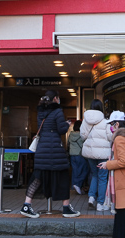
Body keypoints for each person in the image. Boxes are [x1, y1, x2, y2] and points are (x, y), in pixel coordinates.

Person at [20, 90, 80, 219]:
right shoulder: (58, 111)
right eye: (58, 98)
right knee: (63, 177)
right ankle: (66, 208)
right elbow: (61, 130)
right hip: (55, 150)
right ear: (56, 99)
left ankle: (26, 205)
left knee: (37, 178)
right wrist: (67, 124)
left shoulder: (40, 112)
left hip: (42, 149)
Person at [80, 99, 111, 211]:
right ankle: (100, 204)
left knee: (94, 175)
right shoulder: (105, 121)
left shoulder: (86, 120)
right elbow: (110, 137)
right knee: (102, 177)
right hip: (103, 154)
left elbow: (83, 136)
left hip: (90, 153)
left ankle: (91, 197)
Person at [68, 120, 89, 194]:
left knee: (75, 171)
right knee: (85, 170)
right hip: (80, 155)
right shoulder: (82, 135)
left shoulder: (71, 134)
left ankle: (75, 186)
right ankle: (77, 184)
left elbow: (68, 144)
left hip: (72, 155)